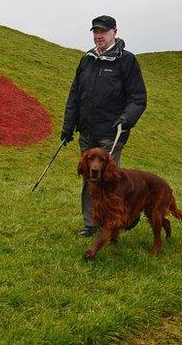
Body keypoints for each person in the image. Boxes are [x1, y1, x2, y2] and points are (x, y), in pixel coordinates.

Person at [61, 15, 147, 237]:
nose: (98, 36)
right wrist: (68, 126)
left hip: (112, 133)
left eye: (103, 32)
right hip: (88, 133)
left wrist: (126, 119)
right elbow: (75, 96)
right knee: (90, 179)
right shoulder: (86, 60)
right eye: (95, 32)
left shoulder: (126, 61)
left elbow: (138, 98)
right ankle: (92, 224)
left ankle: (122, 218)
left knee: (110, 180)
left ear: (114, 32)